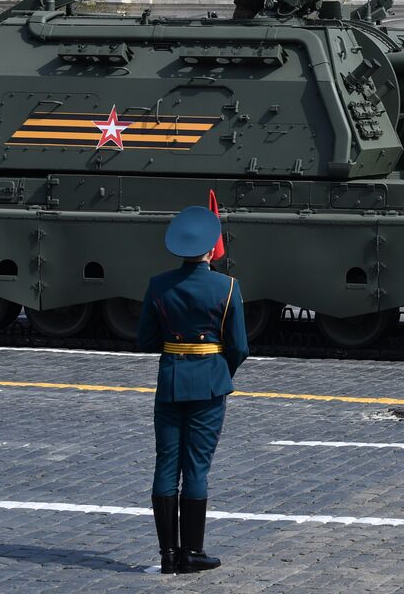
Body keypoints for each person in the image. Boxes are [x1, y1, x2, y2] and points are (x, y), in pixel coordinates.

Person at [139, 206, 249, 575]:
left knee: (166, 463)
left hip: (170, 379)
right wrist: (221, 371)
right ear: (209, 249)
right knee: (197, 466)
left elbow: (145, 339)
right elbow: (240, 347)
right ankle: (193, 553)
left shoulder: (158, 284)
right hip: (210, 382)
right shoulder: (227, 286)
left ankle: (168, 554)